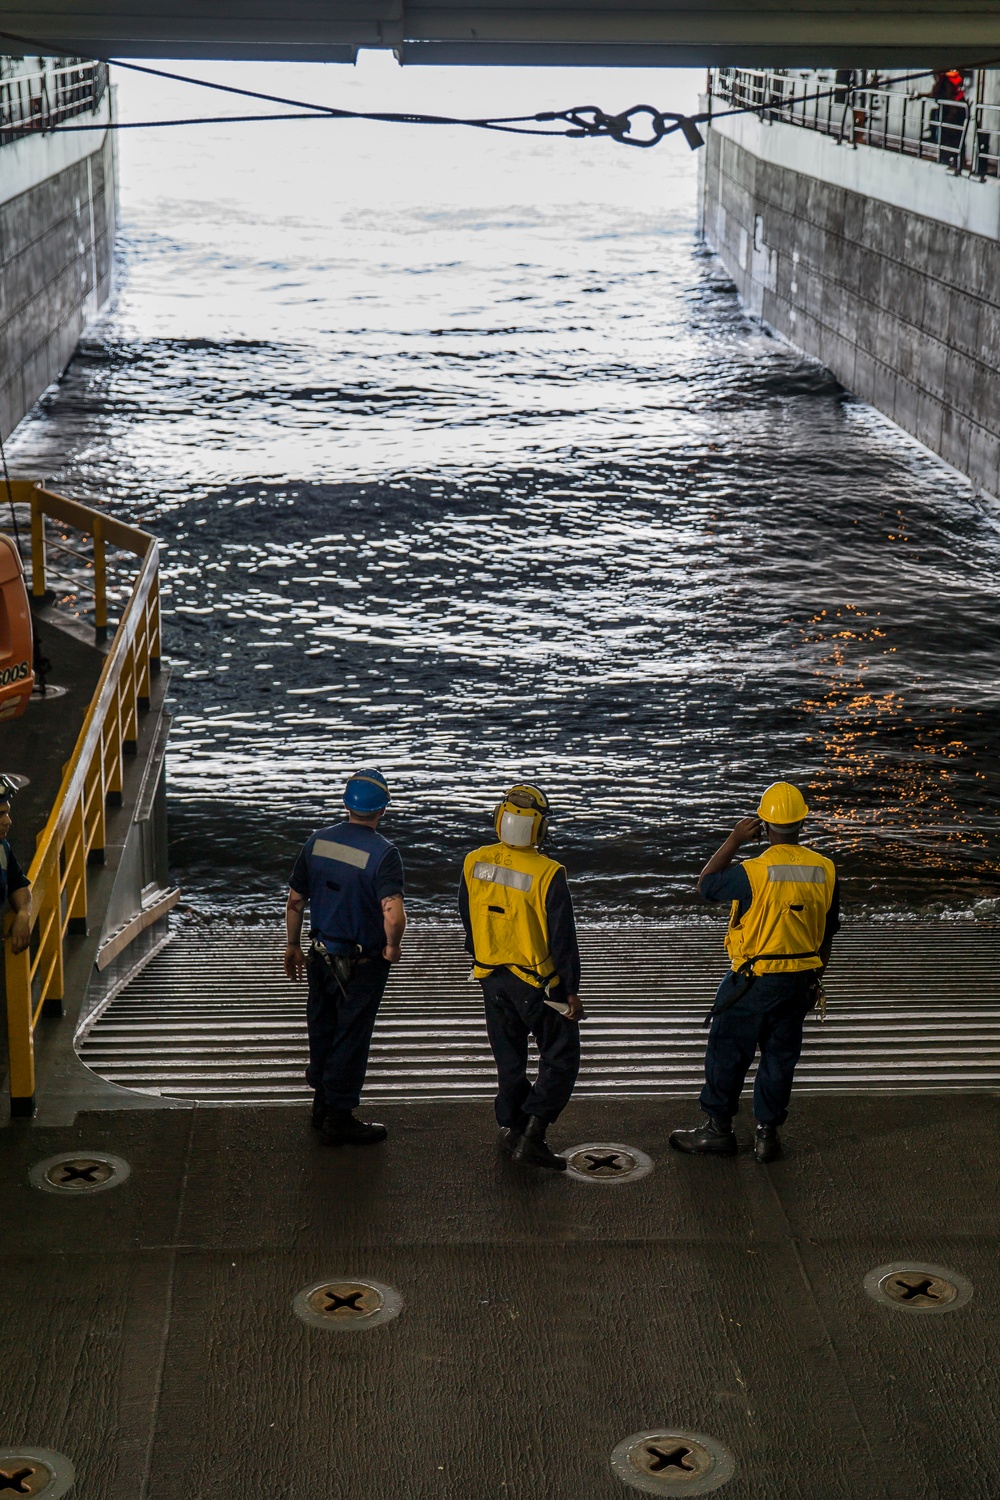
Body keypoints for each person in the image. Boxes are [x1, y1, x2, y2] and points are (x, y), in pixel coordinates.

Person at [670, 781, 839, 1164]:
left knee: (727, 1054)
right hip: (799, 981)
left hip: (752, 982)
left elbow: (707, 885)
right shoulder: (825, 869)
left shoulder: (753, 871)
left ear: (764, 825)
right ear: (802, 824)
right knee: (780, 1058)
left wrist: (733, 839)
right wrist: (816, 979)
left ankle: (718, 1131)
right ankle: (767, 1136)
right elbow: (828, 931)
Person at [458, 783, 584, 1171]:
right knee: (562, 1058)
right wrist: (571, 991)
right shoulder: (548, 873)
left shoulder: (474, 861)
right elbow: (562, 939)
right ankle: (532, 1134)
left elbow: (467, 917)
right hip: (538, 985)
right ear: (539, 830)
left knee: (508, 1057)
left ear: (500, 820)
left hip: (490, 978)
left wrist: (482, 955)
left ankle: (512, 1124)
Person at [285, 768, 406, 1146]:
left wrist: (292, 946)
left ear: (345, 804)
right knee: (351, 1035)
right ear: (382, 810)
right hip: (361, 964)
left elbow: (295, 901)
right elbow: (393, 913)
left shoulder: (318, 841)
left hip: (320, 956)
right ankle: (339, 1116)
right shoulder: (385, 853)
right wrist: (392, 946)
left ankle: (321, 1104)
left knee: (322, 1027)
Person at [0, 774, 31, 956]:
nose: (8, 821)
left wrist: (23, 913)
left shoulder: (2, 849)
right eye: (1, 814)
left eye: (7, 812)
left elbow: (17, 884)